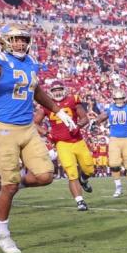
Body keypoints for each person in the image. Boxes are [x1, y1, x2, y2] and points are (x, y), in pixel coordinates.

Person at [0, 24, 76, 253]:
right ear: (5, 41)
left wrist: (58, 111)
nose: (20, 43)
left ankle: (15, 187)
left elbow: (36, 90)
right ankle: (2, 233)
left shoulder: (30, 62)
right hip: (6, 129)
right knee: (8, 185)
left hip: (28, 127)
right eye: (15, 39)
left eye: (23, 39)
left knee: (46, 175)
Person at [33, 80, 94, 212]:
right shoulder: (46, 105)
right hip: (61, 143)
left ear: (64, 89)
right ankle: (80, 201)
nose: (57, 92)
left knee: (89, 169)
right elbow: (35, 123)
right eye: (54, 90)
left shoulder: (73, 100)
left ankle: (83, 180)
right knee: (71, 173)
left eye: (59, 89)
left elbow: (85, 118)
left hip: (77, 140)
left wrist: (78, 126)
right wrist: (47, 134)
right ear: (50, 92)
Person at [95, 90, 127, 198]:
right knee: (114, 163)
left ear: (124, 99)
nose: (119, 101)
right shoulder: (109, 107)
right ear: (114, 100)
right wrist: (95, 121)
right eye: (117, 99)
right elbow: (102, 116)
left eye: (120, 99)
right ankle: (118, 187)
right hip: (114, 138)